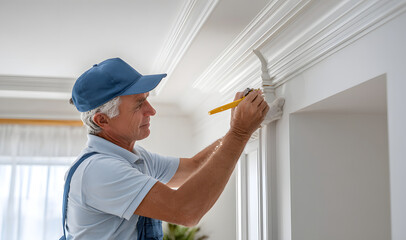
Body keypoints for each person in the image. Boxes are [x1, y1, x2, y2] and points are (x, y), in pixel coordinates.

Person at [63, 57, 269, 240]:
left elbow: (193, 168)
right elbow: (186, 211)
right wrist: (239, 133)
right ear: (103, 120)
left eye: (147, 100)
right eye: (138, 104)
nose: (151, 110)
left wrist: (240, 129)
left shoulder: (135, 157)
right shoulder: (99, 170)